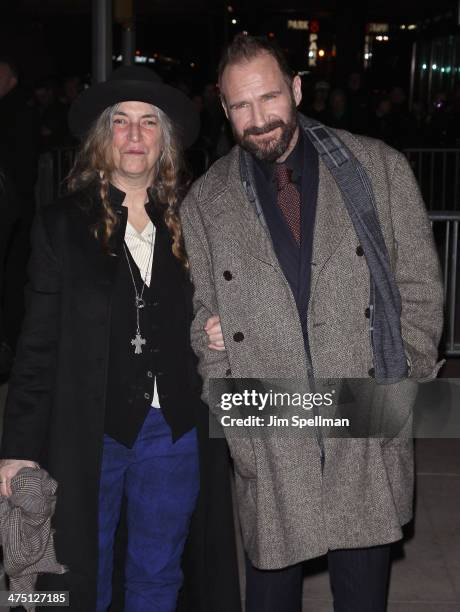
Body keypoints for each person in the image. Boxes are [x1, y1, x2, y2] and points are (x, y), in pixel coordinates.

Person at [180, 34, 444, 612]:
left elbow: (421, 285)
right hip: (271, 421)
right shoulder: (205, 202)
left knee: (362, 592)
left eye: (269, 98)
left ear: (296, 89)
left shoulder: (376, 167)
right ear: (224, 111)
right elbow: (204, 316)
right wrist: (223, 385)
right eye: (240, 106)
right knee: (271, 593)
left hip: (362, 407)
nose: (258, 120)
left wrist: (405, 376)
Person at [0, 65, 240, 612]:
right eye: (121, 122)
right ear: (101, 138)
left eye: (148, 123)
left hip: (173, 431)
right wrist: (15, 451)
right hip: (90, 432)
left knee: (159, 575)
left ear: (165, 140)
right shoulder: (60, 225)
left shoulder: (194, 221)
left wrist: (225, 325)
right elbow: (36, 346)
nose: (134, 135)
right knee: (82, 572)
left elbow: (228, 297)